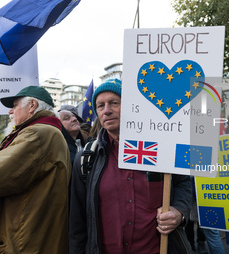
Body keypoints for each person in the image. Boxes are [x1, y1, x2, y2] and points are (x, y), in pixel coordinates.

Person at [68, 79, 192, 254]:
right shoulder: (87, 159)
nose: (107, 111)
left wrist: (179, 211)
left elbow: (183, 183)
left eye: (114, 103)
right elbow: (77, 223)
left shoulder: (162, 147)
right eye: (100, 106)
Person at [0, 86, 71, 254]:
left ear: (32, 105)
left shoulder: (37, 133)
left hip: (23, 241)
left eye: (15, 105)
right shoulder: (48, 132)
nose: (11, 111)